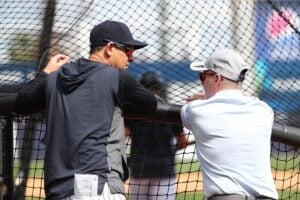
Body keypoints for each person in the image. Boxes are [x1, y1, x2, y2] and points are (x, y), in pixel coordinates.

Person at [14, 20, 157, 200]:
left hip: (57, 188)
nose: (132, 57)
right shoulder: (117, 78)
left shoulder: (55, 78)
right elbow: (151, 104)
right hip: (98, 185)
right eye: (128, 50)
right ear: (110, 48)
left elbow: (22, 104)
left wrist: (46, 72)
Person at [180, 48, 278, 200]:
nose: (202, 81)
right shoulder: (264, 110)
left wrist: (206, 99)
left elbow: (188, 111)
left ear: (217, 79)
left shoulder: (197, 109)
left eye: (203, 76)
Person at [125, 71, 187, 200]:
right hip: (164, 168)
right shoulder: (171, 111)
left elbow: (124, 135)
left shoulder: (133, 111)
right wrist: (169, 150)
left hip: (140, 167)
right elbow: (183, 142)